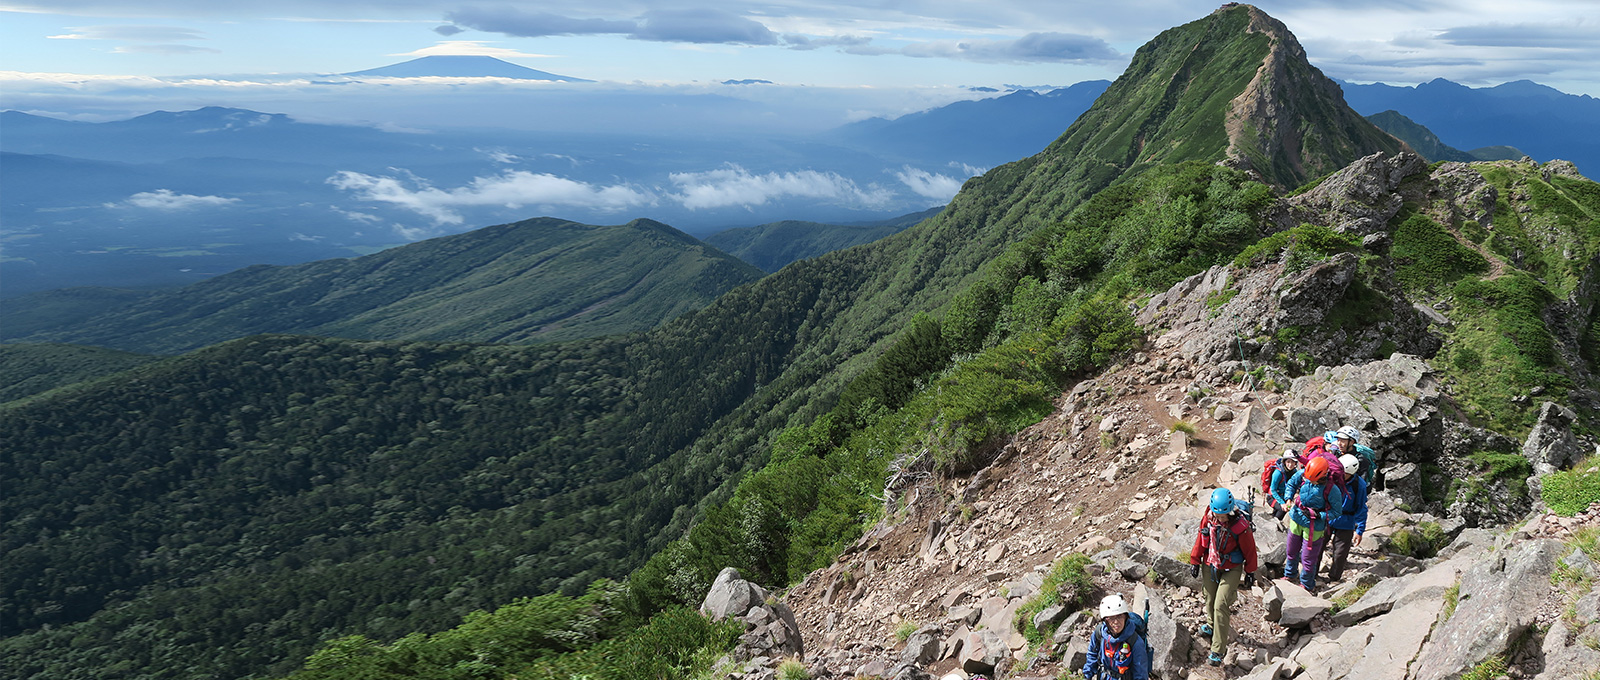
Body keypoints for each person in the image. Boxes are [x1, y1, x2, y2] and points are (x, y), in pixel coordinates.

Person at [1188, 488, 1258, 667]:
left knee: (1221, 604)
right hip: (1210, 563)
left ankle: (1218, 650)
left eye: (1224, 516)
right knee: (1209, 597)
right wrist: (1195, 560)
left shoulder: (1240, 526)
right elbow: (1201, 538)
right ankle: (1212, 625)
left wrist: (1250, 572)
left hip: (1232, 568)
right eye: (1218, 515)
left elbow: (1250, 550)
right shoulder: (1209, 517)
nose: (1221, 519)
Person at [1282, 456, 1344, 594]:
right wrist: (1288, 499)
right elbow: (1291, 484)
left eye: (1313, 479)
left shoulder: (1331, 489)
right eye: (1307, 478)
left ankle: (1307, 584)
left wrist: (1320, 515)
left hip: (1315, 526)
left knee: (1308, 558)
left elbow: (1337, 511)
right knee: (1291, 551)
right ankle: (1290, 575)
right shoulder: (1304, 475)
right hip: (1297, 517)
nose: (1309, 480)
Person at [1082, 594, 1150, 680]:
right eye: (1111, 618)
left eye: (1120, 616)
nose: (1116, 622)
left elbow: (1140, 673)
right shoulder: (1099, 634)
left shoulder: (1135, 641)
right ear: (1105, 620)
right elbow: (1092, 655)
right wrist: (1087, 675)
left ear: (1126, 617)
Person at [1325, 454, 1370, 582]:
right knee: (1317, 546)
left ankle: (1334, 578)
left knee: (1340, 553)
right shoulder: (1331, 478)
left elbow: (1361, 507)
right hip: (1328, 517)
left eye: (1343, 473)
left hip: (1346, 520)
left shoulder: (1359, 485)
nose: (1339, 475)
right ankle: (1312, 574)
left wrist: (1359, 530)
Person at [1266, 454, 1301, 521]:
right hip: (1273, 497)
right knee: (1282, 510)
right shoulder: (1278, 473)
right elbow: (1273, 490)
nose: (1290, 465)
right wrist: (1282, 503)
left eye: (1292, 462)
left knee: (1284, 509)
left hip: (1284, 496)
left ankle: (1274, 519)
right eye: (1288, 462)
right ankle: (1274, 523)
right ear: (1284, 462)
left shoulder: (1294, 472)